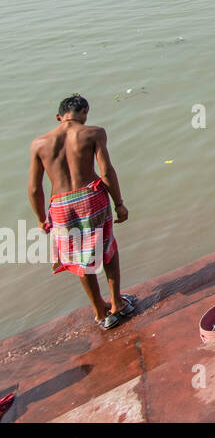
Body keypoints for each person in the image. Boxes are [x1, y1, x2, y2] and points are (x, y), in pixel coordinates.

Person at [27, 94, 135, 330]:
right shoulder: (94, 133)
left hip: (61, 205)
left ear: (59, 117)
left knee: (79, 258)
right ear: (85, 112)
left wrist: (41, 219)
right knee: (107, 247)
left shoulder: (39, 144)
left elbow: (35, 188)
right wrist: (119, 203)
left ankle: (100, 311)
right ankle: (117, 302)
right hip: (91, 197)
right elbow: (106, 171)